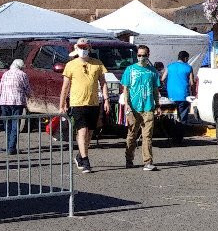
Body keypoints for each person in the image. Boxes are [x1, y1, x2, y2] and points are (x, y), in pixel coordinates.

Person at [59, 38, 110, 173]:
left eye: (85, 47)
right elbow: (65, 86)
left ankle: (80, 156)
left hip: (93, 103)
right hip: (77, 103)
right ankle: (86, 161)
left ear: (90, 48)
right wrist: (62, 103)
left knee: (90, 133)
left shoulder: (97, 64)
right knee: (82, 130)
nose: (83, 49)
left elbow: (103, 83)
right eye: (81, 47)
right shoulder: (71, 65)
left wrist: (106, 99)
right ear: (76, 48)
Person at [122, 45, 162, 171]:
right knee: (132, 134)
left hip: (148, 107)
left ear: (148, 55)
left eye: (143, 55)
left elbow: (155, 90)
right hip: (134, 108)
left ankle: (148, 161)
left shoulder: (153, 72)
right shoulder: (130, 70)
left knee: (147, 135)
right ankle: (129, 158)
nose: (141, 58)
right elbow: (126, 88)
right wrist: (127, 104)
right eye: (139, 55)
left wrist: (158, 105)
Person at [0, 58, 31, 155]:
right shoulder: (22, 75)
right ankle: (11, 147)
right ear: (21, 67)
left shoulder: (5, 74)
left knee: (7, 125)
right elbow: (28, 90)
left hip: (4, 102)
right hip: (17, 102)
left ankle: (9, 146)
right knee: (15, 125)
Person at [166, 51, 195, 124]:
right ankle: (181, 129)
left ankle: (173, 129)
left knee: (172, 114)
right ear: (185, 58)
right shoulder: (188, 67)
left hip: (171, 94)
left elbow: (162, 79)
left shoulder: (170, 66)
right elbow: (192, 83)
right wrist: (194, 93)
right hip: (183, 94)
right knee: (183, 114)